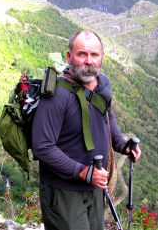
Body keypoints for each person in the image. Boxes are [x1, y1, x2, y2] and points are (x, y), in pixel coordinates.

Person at [32, 30, 141, 230]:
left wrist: (121, 145)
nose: (88, 61)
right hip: (64, 192)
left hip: (96, 186)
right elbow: (42, 147)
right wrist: (83, 172)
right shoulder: (56, 95)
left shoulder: (103, 83)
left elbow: (107, 115)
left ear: (102, 58)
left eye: (94, 55)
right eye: (82, 54)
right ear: (69, 56)